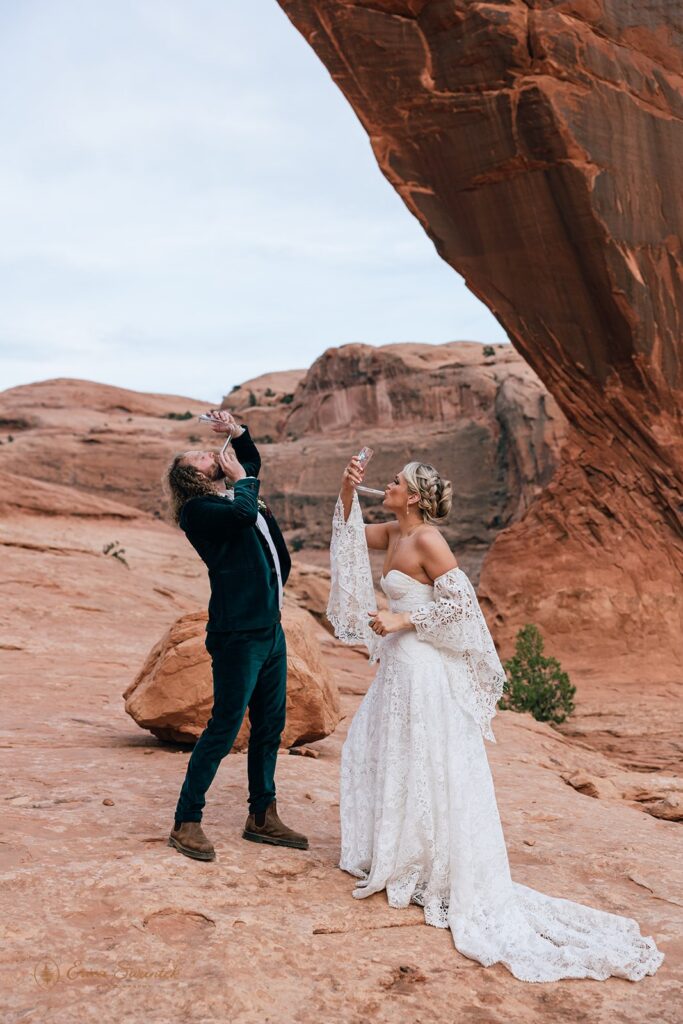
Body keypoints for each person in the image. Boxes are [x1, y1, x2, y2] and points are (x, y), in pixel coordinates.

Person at [326, 454, 664, 982]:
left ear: (414, 496)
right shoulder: (392, 531)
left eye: (395, 481)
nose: (387, 484)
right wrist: (348, 488)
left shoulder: (428, 542)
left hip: (421, 669)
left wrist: (401, 617)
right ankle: (398, 856)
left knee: (423, 762)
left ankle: (431, 867)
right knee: (386, 754)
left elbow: (462, 609)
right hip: (397, 668)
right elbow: (347, 537)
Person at [164, 410, 308, 861]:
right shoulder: (199, 511)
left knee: (271, 725)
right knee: (224, 727)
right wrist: (242, 478)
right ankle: (186, 821)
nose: (210, 455)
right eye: (201, 458)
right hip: (237, 635)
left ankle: (262, 816)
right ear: (192, 479)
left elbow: (252, 470)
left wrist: (237, 435)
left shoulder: (227, 495)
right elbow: (247, 512)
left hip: (269, 627)